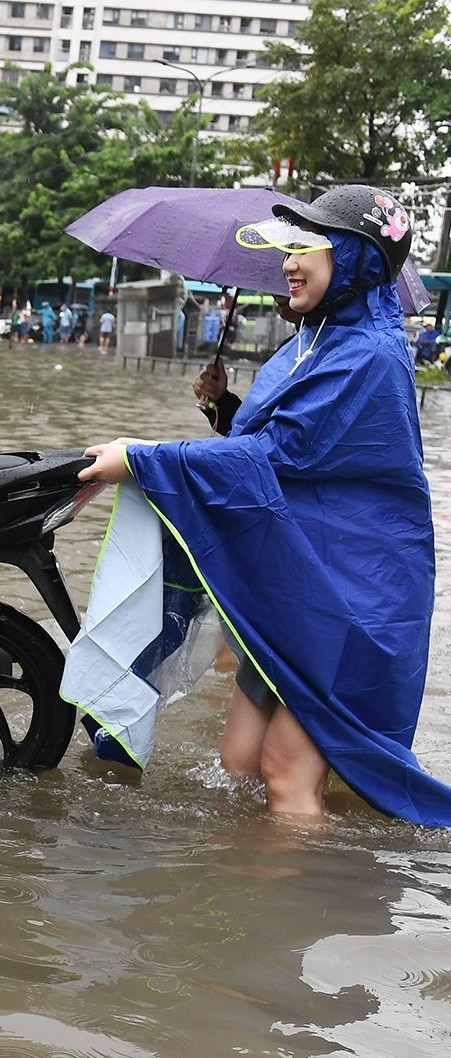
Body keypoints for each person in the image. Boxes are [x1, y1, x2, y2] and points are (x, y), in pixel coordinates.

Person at [78, 185, 448, 825]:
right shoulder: (316, 341)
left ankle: (301, 917)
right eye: (289, 247)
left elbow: (282, 455)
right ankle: (258, 901)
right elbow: (281, 446)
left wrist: (141, 457)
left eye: (308, 246)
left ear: (357, 259)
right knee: (239, 763)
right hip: (299, 587)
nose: (288, 262)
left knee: (283, 775)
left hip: (353, 600)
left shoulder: (370, 354)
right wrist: (223, 408)